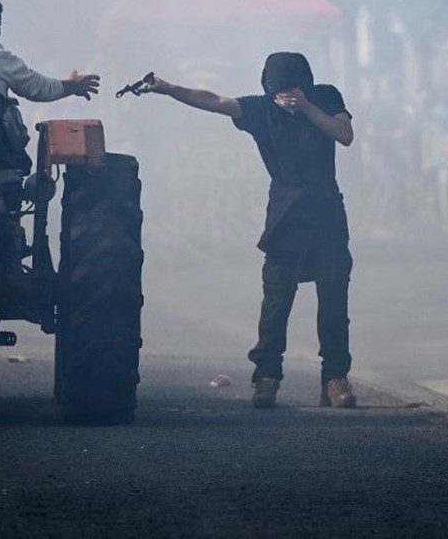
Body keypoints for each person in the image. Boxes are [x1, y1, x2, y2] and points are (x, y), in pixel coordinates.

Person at [140, 52, 357, 409]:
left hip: (327, 211)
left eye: (293, 89)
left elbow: (344, 134)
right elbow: (214, 101)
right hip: (285, 215)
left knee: (334, 298)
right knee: (276, 300)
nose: (286, 96)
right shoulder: (260, 109)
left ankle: (335, 378)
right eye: (280, 91)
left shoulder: (326, 96)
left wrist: (305, 107)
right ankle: (267, 376)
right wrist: (167, 88)